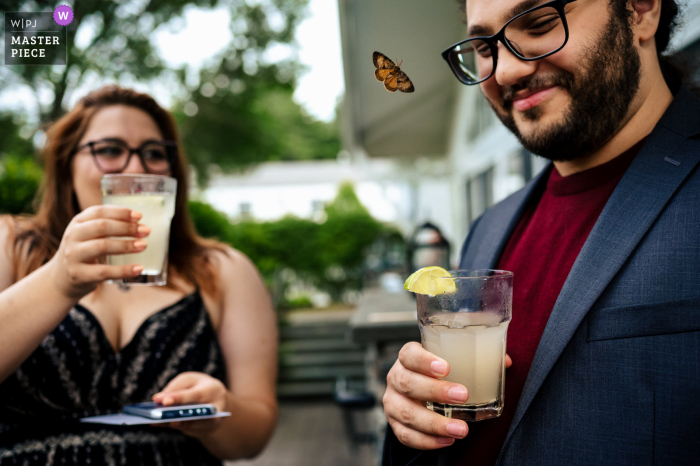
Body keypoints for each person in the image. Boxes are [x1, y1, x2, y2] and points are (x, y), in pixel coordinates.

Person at [382, 0, 699, 464]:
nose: (505, 71)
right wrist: (410, 418)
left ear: (641, 10)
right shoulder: (487, 229)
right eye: (484, 47)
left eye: (540, 23)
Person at [0, 86, 278, 465]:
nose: (136, 170)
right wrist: (57, 281)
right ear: (67, 163)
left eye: (153, 153)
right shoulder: (10, 245)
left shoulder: (223, 270)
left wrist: (219, 412)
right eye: (110, 150)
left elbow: (254, 437)